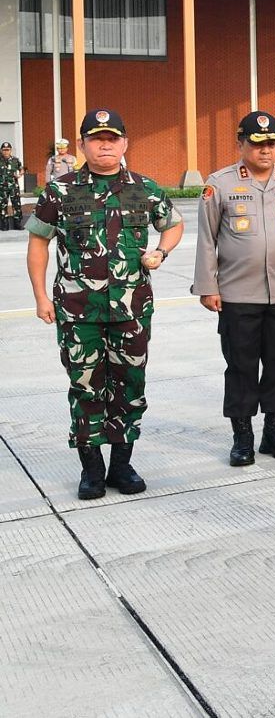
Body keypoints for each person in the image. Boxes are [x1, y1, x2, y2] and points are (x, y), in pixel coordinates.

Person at [25, 109, 184, 499]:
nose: (105, 144)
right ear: (82, 145)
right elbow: (38, 242)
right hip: (79, 311)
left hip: (131, 311)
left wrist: (161, 251)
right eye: (97, 138)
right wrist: (41, 296)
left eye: (113, 138)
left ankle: (122, 465)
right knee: (85, 387)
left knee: (130, 385)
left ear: (125, 143)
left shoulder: (145, 189)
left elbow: (174, 224)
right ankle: (92, 469)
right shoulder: (60, 191)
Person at [192, 111, 275, 466]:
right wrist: (207, 286)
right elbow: (206, 239)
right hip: (237, 293)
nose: (266, 150)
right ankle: (242, 436)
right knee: (241, 365)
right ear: (241, 143)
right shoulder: (219, 185)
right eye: (257, 143)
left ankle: (274, 431)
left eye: (272, 143)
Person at [0, 141, 23, 230]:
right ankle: (4, 225)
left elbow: (21, 169)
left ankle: (17, 224)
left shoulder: (15, 160)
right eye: (4, 150)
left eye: (8, 150)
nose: (6, 152)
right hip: (2, 187)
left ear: (11, 150)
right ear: (1, 151)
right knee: (2, 206)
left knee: (16, 205)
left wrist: (20, 174)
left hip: (13, 186)